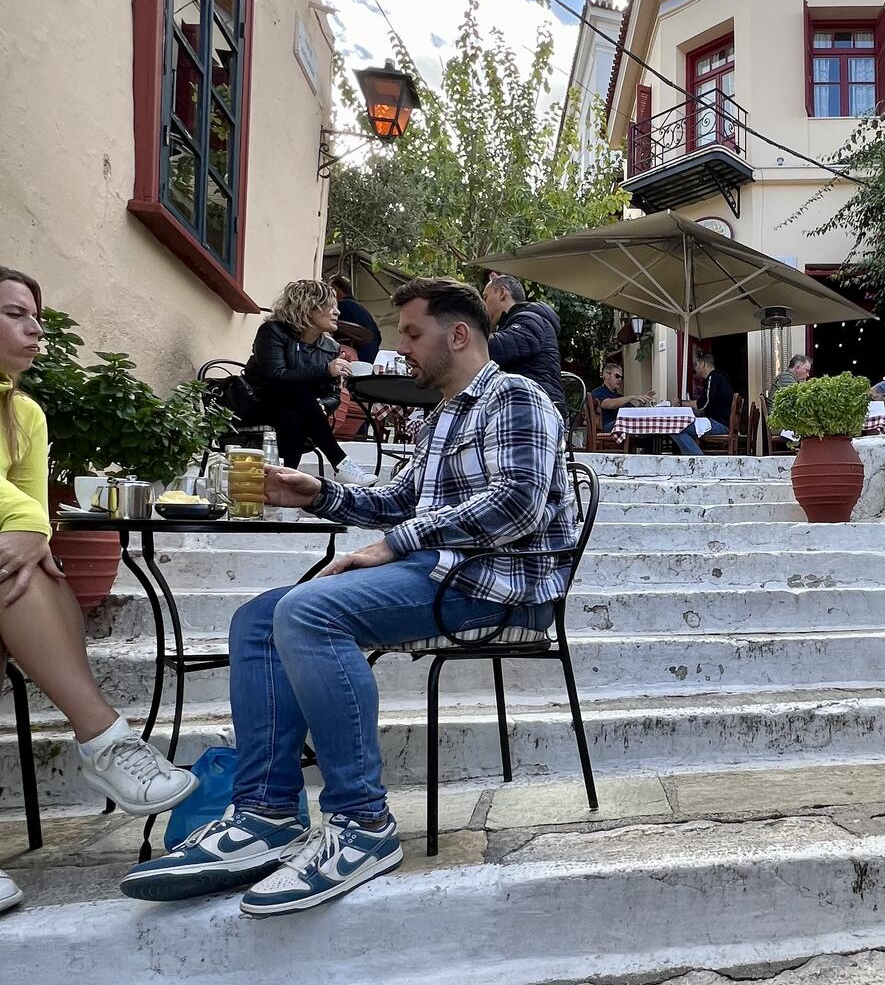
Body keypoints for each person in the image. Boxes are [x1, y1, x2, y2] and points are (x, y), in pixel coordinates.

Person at [122, 278, 578, 916]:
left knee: (307, 612)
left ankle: (362, 823)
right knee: (257, 619)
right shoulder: (445, 414)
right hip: (443, 572)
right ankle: (266, 814)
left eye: (412, 333)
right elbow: (400, 499)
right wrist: (317, 493)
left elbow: (517, 504)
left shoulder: (517, 398)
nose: (402, 348)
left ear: (458, 334)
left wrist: (396, 544)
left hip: (499, 585)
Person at [0, 265, 198, 913]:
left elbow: (30, 505)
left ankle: (106, 743)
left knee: (27, 572)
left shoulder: (24, 413)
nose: (34, 329)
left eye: (36, 316)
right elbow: (23, 512)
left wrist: (34, 536)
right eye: (14, 314)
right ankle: (105, 741)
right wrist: (29, 529)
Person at [245, 280, 370, 481]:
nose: (337, 312)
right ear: (308, 307)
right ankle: (339, 461)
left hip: (300, 411)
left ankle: (282, 481)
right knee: (294, 391)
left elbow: (333, 395)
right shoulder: (273, 331)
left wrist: (320, 405)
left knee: (292, 417)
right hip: (258, 404)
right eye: (330, 306)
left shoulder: (330, 347)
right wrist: (326, 370)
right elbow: (274, 375)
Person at [483, 274, 565, 415]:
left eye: (485, 297)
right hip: (526, 402)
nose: (483, 305)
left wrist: (468, 337)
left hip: (537, 407)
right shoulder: (519, 321)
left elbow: (498, 347)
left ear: (502, 292)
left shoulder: (530, 318)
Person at [674, 352, 734, 455]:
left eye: (696, 365)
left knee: (676, 427)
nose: (695, 368)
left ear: (703, 364)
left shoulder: (713, 378)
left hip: (720, 424)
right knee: (680, 428)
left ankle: (698, 459)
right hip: (724, 422)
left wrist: (681, 403)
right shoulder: (721, 377)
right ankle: (694, 457)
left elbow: (702, 405)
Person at [329, 273, 382, 361]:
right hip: (371, 360)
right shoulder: (363, 310)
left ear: (336, 290)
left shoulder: (341, 307)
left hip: (353, 360)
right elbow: (378, 336)